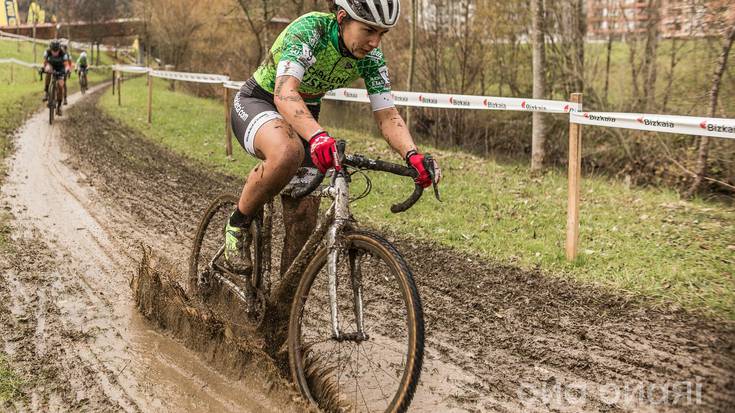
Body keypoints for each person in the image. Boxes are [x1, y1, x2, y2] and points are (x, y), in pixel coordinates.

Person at [226, 0, 441, 273]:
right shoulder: (310, 30)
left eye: (382, 34)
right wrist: (317, 136)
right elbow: (284, 92)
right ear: (342, 17)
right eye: (368, 31)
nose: (375, 42)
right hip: (262, 100)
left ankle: (283, 307)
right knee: (288, 152)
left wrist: (413, 154)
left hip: (305, 112)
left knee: (304, 217)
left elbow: (387, 115)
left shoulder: (372, 59)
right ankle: (238, 223)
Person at [42, 40, 71, 114]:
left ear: (59, 49)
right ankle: (46, 91)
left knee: (61, 85)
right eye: (53, 51)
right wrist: (43, 68)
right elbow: (45, 63)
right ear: (50, 49)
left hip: (60, 68)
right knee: (48, 71)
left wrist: (67, 70)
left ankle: (59, 106)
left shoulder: (63, 53)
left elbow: (66, 65)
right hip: (51, 65)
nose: (55, 52)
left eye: (56, 51)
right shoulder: (47, 52)